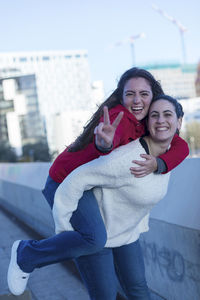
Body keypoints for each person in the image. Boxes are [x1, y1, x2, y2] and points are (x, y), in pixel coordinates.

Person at [7, 68, 189, 296]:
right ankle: (27, 254)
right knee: (93, 239)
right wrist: (105, 143)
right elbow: (109, 149)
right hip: (65, 179)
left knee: (135, 286)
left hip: (93, 188)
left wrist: (159, 164)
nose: (137, 100)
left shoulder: (150, 122)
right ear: (121, 97)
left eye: (144, 94)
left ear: (154, 96)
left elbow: (181, 146)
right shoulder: (118, 119)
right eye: (130, 94)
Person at [52, 95, 184, 299]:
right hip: (96, 232)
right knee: (105, 294)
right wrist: (64, 230)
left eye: (167, 115)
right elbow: (77, 178)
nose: (160, 120)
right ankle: (27, 255)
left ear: (179, 121)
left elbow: (146, 190)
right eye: (154, 115)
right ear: (147, 123)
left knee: (139, 288)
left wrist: (160, 164)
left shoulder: (169, 153)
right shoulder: (132, 157)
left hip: (125, 233)